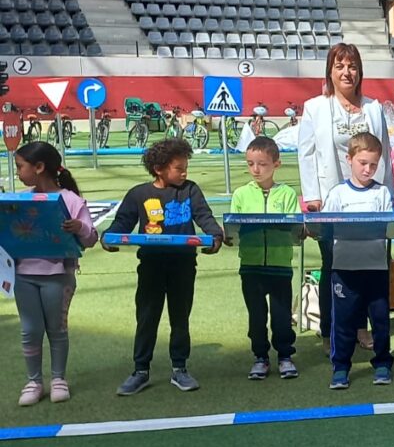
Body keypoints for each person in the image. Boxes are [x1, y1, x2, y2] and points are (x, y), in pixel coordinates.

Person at [104, 138, 224, 395]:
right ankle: (140, 370)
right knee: (147, 317)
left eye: (186, 168)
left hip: (183, 265)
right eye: (179, 168)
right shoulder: (139, 194)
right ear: (159, 169)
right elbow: (123, 221)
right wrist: (110, 237)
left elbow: (204, 216)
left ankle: (180, 368)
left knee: (180, 317)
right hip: (151, 265)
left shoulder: (190, 190)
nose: (184, 173)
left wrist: (215, 235)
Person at [297, 43, 392, 355]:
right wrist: (313, 198)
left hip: (369, 200)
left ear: (360, 72)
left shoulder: (373, 108)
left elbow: (385, 153)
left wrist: (389, 198)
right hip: (331, 201)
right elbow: (306, 154)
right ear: (330, 72)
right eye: (339, 66)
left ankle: (361, 326)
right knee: (334, 264)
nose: (346, 72)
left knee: (368, 263)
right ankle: (330, 331)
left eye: (352, 66)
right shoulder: (315, 108)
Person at [11, 142, 98, 406]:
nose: (17, 173)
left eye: (20, 167)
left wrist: (79, 226)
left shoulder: (71, 200)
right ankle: (34, 382)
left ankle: (58, 379)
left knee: (57, 330)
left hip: (59, 277)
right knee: (30, 330)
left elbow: (91, 238)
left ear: (39, 167)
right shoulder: (19, 201)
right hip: (22, 275)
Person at [320, 132, 394, 389]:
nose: (368, 169)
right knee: (343, 321)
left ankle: (382, 363)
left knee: (380, 320)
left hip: (376, 268)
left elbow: (391, 227)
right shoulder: (338, 193)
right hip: (344, 269)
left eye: (373, 164)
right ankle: (340, 367)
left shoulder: (382, 193)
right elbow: (324, 227)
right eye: (362, 163)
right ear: (349, 159)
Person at [229, 136, 302, 381]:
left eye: (262, 164)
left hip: (280, 266)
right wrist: (229, 235)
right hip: (251, 266)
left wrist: (300, 230)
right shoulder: (240, 194)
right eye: (250, 164)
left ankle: (285, 355)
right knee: (256, 317)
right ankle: (260, 357)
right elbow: (234, 227)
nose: (256, 169)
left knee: (282, 317)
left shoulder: (288, 194)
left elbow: (296, 227)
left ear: (276, 164)